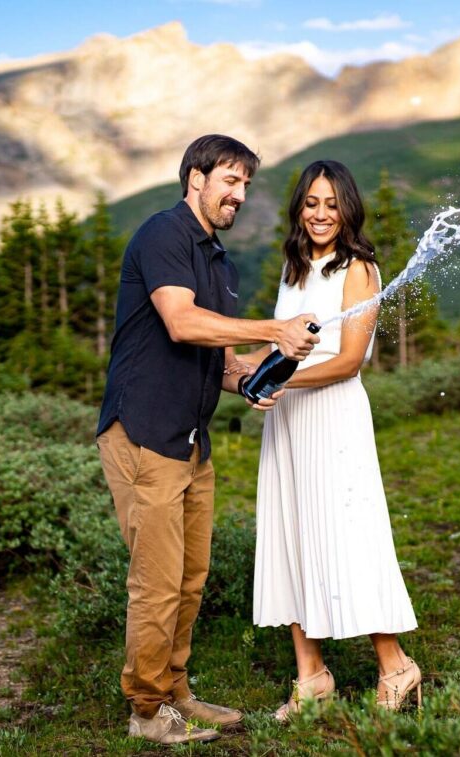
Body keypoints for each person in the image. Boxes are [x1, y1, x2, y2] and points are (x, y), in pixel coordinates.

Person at [95, 134, 320, 745]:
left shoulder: (218, 259)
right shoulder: (163, 234)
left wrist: (257, 371)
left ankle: (176, 692)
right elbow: (180, 321)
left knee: (190, 579)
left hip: (192, 442)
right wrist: (274, 325)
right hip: (144, 433)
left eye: (246, 184)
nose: (240, 193)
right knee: (157, 581)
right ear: (195, 178)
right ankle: (146, 712)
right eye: (230, 180)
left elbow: (216, 358)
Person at [234, 160, 420, 720]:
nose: (320, 214)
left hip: (333, 417)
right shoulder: (294, 268)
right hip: (287, 424)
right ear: (299, 209)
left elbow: (346, 361)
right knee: (291, 531)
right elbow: (282, 345)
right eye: (311, 203)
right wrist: (245, 368)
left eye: (332, 204)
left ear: (348, 209)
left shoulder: (358, 269)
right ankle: (311, 674)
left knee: (348, 534)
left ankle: (396, 665)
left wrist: (276, 383)